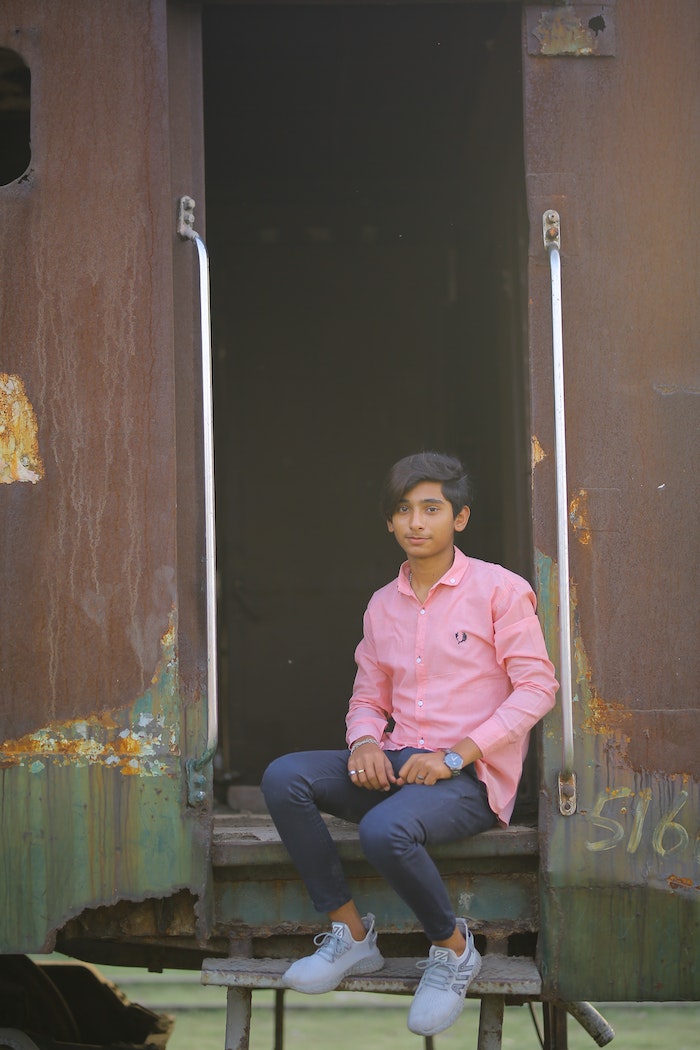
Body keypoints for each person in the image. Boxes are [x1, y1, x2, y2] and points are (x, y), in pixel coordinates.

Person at [261, 451, 558, 1037]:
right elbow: (368, 695)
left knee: (383, 831)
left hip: (467, 779)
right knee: (284, 776)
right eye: (403, 510)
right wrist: (365, 742)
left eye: (432, 508)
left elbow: (537, 689)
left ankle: (452, 950)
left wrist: (455, 756)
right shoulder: (382, 604)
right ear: (389, 523)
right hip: (399, 766)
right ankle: (349, 936)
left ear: (460, 518)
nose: (416, 522)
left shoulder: (500, 590)